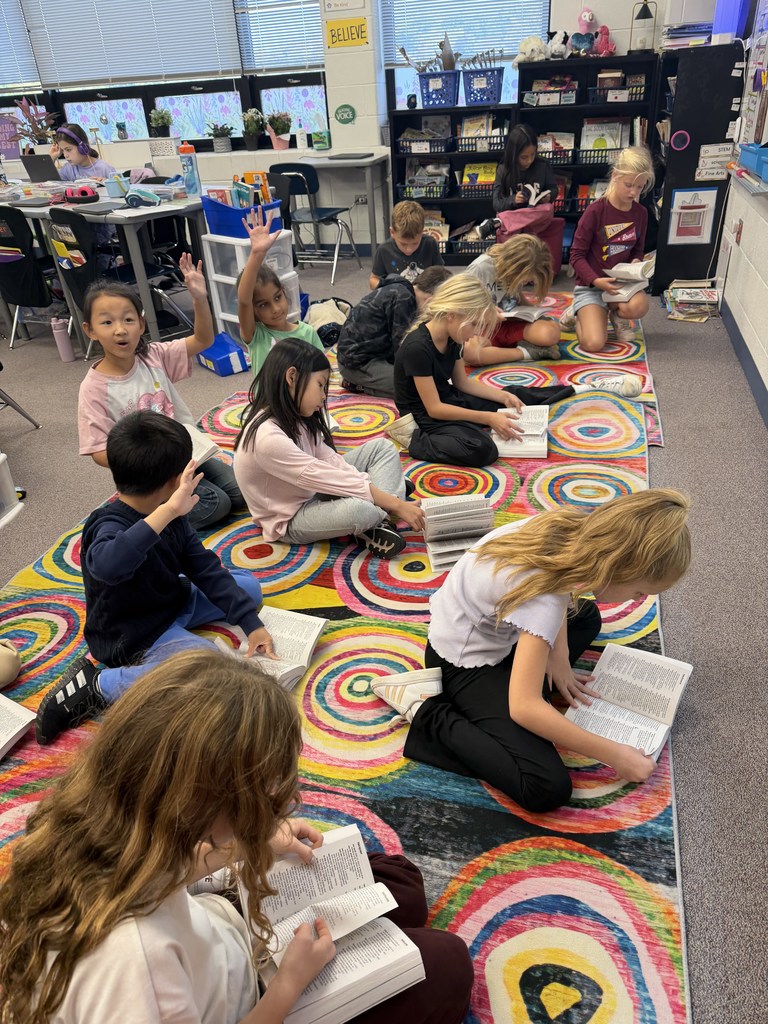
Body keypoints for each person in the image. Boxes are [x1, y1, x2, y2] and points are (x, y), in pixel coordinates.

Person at [4, 648, 474, 1023]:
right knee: (448, 964)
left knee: (400, 883)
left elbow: (164, 867)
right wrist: (289, 984)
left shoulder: (109, 814)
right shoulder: (138, 967)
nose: (275, 809)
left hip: (217, 933)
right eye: (261, 801)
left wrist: (253, 843)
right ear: (208, 803)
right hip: (249, 994)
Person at [373, 489, 691, 813]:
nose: (638, 600)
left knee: (587, 617)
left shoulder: (572, 527)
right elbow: (523, 708)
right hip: (461, 661)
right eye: (639, 591)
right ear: (615, 566)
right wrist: (614, 754)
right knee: (545, 786)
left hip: (493, 627)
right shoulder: (543, 600)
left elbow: (562, 587)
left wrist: (560, 658)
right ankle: (428, 712)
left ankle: (520, 681)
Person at [35, 411, 273, 746]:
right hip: (130, 632)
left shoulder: (170, 513)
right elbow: (109, 566)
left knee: (248, 589)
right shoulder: (108, 524)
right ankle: (98, 684)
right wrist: (168, 512)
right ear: (174, 480)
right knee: (207, 671)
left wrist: (250, 622)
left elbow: (203, 566)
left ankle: (207, 623)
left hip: (172, 600)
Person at [393, 275, 643, 468]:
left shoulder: (454, 335)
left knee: (513, 395)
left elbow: (462, 383)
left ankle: (585, 387)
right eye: (474, 326)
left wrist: (501, 397)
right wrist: (488, 418)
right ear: (451, 315)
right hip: (422, 417)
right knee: (482, 449)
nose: (475, 335)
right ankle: (413, 440)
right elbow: (434, 409)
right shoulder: (417, 347)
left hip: (446, 398)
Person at [77, 259, 246, 530]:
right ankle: (145, 514)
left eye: (128, 320)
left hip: (186, 455)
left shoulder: (152, 356)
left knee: (239, 491)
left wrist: (200, 298)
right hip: (150, 476)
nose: (120, 329)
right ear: (90, 330)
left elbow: (203, 340)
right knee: (217, 504)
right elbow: (97, 450)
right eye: (107, 322)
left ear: (141, 325)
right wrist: (143, 459)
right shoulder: (94, 387)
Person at [234, 339, 425, 559]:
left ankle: (380, 515)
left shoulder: (297, 416)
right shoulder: (267, 438)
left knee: (382, 448)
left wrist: (382, 497)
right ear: (292, 377)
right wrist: (394, 502)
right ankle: (383, 510)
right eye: (320, 385)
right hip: (289, 518)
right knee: (360, 510)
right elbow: (325, 477)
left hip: (312, 489)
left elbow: (333, 463)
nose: (324, 395)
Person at [560, 146, 655, 352]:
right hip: (592, 286)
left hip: (620, 285)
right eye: (628, 185)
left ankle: (613, 314)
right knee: (593, 344)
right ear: (615, 176)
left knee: (640, 306)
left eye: (640, 187)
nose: (634, 192)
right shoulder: (596, 211)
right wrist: (595, 280)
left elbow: (637, 250)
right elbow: (576, 256)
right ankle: (578, 311)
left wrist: (636, 263)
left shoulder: (641, 213)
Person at [337, 265, 452, 397]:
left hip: (365, 356)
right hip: (357, 365)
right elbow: (402, 351)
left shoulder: (402, 288)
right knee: (421, 389)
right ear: (432, 301)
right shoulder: (404, 299)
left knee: (425, 381)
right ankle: (360, 386)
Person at [237, 207, 323, 378]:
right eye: (263, 304)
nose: (275, 308)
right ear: (254, 310)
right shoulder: (256, 335)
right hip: (269, 404)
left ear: (284, 292)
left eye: (277, 297)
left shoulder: (307, 333)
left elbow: (320, 371)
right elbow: (244, 301)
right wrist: (256, 255)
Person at [477, 125, 565, 274]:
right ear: (514, 154)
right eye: (524, 157)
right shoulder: (504, 170)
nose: (529, 160)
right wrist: (513, 200)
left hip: (536, 217)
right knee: (509, 233)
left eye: (533, 155)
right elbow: (497, 203)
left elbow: (553, 188)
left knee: (548, 209)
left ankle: (500, 222)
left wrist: (549, 195)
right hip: (515, 224)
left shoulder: (542, 166)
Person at [463, 234, 561, 365]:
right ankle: (526, 353)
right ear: (512, 266)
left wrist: (534, 313)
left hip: (510, 324)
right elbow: (460, 307)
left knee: (550, 332)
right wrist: (485, 313)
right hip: (483, 330)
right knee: (471, 354)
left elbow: (515, 297)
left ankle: (503, 351)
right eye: (526, 279)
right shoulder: (480, 268)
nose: (526, 282)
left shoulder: (515, 271)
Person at [369, 201, 445, 289]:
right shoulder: (384, 250)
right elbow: (373, 280)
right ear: (392, 232)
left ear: (422, 232)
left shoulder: (430, 244)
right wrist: (387, 288)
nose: (409, 249)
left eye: (415, 243)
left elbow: (441, 275)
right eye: (403, 244)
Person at [49, 123, 117, 182]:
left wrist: (107, 183)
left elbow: (122, 189)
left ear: (82, 147)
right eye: (62, 150)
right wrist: (51, 159)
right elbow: (51, 186)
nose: (65, 155)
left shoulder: (104, 168)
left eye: (68, 150)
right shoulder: (67, 169)